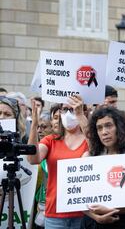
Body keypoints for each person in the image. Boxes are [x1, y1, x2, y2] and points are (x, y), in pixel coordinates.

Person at [27, 95, 89, 229]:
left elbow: (98, 153)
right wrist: (34, 125)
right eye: (65, 109)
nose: (68, 114)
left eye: (73, 109)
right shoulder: (51, 140)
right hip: (54, 213)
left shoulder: (89, 140)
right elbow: (32, 159)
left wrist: (81, 117)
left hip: (84, 212)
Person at [80, 107, 125, 229]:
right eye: (99, 128)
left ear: (120, 128)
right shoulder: (88, 157)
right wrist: (96, 217)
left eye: (108, 125)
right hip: (92, 223)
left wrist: (110, 209)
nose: (104, 132)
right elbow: (78, 200)